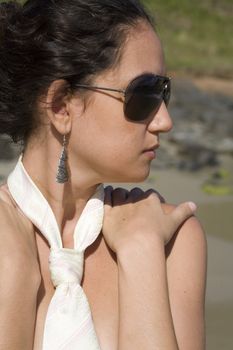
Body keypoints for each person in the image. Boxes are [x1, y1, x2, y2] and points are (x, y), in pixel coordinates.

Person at [0, 0, 207, 349]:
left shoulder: (170, 237)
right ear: (61, 106)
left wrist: (142, 254)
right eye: (144, 95)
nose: (165, 121)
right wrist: (13, 274)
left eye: (164, 92)